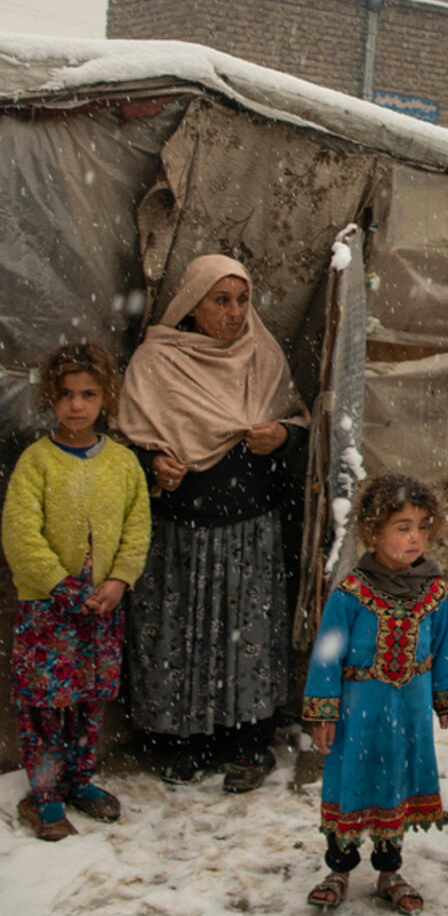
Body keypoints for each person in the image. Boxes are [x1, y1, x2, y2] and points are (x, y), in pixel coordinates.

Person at [115, 254, 308, 791]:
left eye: (242, 300)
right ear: (192, 303)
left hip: (250, 529)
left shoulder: (260, 355)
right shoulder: (157, 362)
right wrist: (152, 464)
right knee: (182, 636)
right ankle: (182, 743)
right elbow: (124, 444)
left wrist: (283, 436)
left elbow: (297, 420)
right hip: (180, 532)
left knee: (244, 635)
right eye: (220, 300)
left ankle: (246, 743)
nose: (233, 312)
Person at [2, 341, 151, 841]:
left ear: (106, 397)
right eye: (66, 394)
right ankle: (44, 796)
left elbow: (137, 527)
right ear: (51, 397)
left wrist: (117, 580)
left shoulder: (124, 464)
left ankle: (79, 780)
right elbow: (21, 533)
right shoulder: (37, 463)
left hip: (101, 609)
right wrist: (60, 586)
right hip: (48, 610)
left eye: (88, 393)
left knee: (88, 701)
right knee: (45, 705)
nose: (77, 405)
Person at [302, 474, 448, 914]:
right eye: (403, 527)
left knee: (398, 783)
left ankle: (389, 871)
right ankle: (338, 869)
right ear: (372, 533)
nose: (416, 537)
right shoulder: (351, 594)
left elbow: (443, 647)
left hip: (408, 712)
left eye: (422, 526)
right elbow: (327, 656)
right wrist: (324, 712)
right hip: (359, 713)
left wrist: (445, 697)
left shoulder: (434, 591)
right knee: (352, 783)